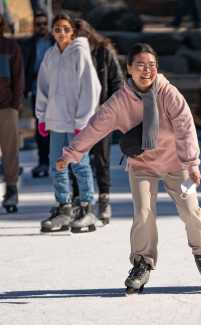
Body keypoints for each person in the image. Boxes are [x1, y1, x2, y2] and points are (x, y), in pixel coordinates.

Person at [56, 43, 201, 292]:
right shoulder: (120, 101)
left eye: (151, 65)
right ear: (129, 68)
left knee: (190, 210)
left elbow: (186, 128)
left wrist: (192, 163)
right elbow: (95, 127)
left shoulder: (168, 93)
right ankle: (142, 263)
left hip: (177, 163)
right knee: (143, 213)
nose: (147, 70)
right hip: (142, 165)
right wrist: (71, 154)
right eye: (140, 65)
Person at [36, 13, 101, 232]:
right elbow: (42, 87)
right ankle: (64, 207)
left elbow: (91, 87)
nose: (61, 33)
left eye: (65, 28)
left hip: (76, 122)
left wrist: (83, 119)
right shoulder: (50, 55)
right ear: (52, 32)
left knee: (80, 165)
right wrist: (42, 116)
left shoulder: (80, 52)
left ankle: (87, 208)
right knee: (57, 166)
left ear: (72, 31)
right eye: (57, 29)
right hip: (56, 121)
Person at [75, 19, 124, 224]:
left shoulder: (104, 53)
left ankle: (104, 200)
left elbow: (118, 83)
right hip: (78, 116)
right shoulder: (71, 54)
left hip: (101, 114)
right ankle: (81, 202)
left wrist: (108, 108)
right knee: (77, 159)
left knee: (101, 159)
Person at [23, 10, 52, 178]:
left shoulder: (55, 42)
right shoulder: (30, 44)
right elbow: (26, 67)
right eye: (38, 24)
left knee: (57, 127)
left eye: (44, 24)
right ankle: (43, 162)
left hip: (55, 93)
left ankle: (59, 161)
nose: (41, 27)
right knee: (41, 129)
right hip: (37, 91)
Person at [0, 14, 24, 213]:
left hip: (7, 107)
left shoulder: (10, 47)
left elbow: (18, 78)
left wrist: (15, 105)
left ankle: (11, 190)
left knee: (10, 151)